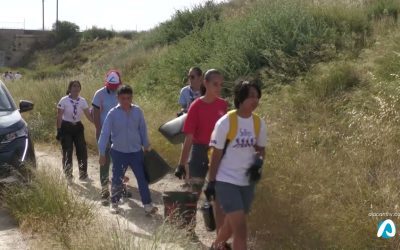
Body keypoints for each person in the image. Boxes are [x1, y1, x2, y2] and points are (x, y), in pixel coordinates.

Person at [206, 81, 267, 250]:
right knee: (241, 229)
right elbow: (216, 155)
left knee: (231, 225)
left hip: (247, 181)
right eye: (251, 96)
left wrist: (258, 164)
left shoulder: (258, 123)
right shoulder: (225, 122)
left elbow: (261, 149)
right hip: (226, 180)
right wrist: (211, 182)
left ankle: (216, 246)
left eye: (257, 96)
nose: (255, 100)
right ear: (240, 98)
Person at [98, 85, 158, 215]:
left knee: (142, 179)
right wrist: (102, 153)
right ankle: (114, 203)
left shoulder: (138, 111)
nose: (126, 101)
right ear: (118, 98)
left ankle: (147, 205)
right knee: (117, 179)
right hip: (118, 152)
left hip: (136, 152)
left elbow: (143, 130)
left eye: (129, 98)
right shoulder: (112, 113)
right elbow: (104, 133)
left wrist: (146, 145)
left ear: (132, 98)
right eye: (123, 98)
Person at [176, 69, 228, 194]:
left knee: (217, 194)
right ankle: (188, 212)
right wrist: (181, 164)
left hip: (217, 151)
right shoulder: (195, 106)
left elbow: (227, 133)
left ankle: (209, 211)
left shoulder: (223, 105)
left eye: (220, 84)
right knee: (194, 192)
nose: (218, 88)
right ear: (205, 83)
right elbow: (189, 138)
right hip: (199, 151)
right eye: (215, 84)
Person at [92, 70, 126, 203]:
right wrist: (99, 130)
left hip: (119, 132)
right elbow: (95, 113)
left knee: (120, 160)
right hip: (105, 132)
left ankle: (119, 186)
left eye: (115, 87)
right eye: (111, 87)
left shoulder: (122, 92)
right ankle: (104, 188)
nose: (113, 89)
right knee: (104, 159)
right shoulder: (99, 94)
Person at [56, 80, 93, 182]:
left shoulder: (82, 101)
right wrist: (58, 130)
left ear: (80, 89)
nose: (76, 88)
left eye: (78, 86)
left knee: (82, 150)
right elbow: (59, 116)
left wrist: (97, 123)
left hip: (78, 127)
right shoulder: (63, 100)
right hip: (66, 127)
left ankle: (83, 173)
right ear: (69, 88)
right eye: (74, 86)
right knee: (67, 150)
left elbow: (88, 116)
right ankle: (68, 174)